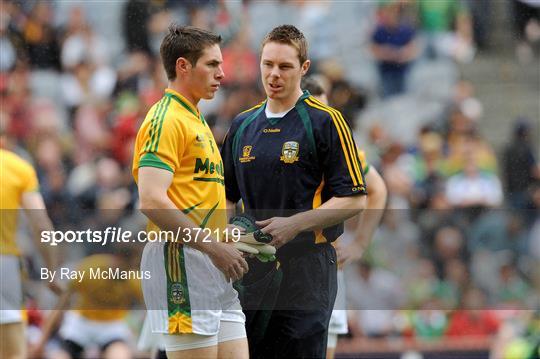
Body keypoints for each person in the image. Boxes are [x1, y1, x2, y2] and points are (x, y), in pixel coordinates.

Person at [221, 25, 367, 358]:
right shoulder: (242, 125)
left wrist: (295, 224)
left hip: (307, 267)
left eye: (285, 66)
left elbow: (355, 198)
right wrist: (227, 232)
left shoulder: (326, 121)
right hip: (250, 267)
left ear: (304, 68)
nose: (274, 74)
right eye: (267, 64)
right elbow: (226, 196)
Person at [132, 24, 249, 359]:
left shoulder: (196, 119)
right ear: (183, 66)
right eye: (212, 64)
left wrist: (228, 235)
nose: (222, 74)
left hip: (213, 261)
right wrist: (213, 246)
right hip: (179, 260)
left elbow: (194, 197)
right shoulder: (165, 118)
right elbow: (152, 200)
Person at [302, 75, 388, 358]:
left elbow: (377, 190)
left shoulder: (341, 145)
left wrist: (360, 244)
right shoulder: (272, 139)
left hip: (326, 264)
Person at [0, 147, 56, 359]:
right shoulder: (16, 167)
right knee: (13, 351)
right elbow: (41, 224)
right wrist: (51, 272)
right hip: (3, 264)